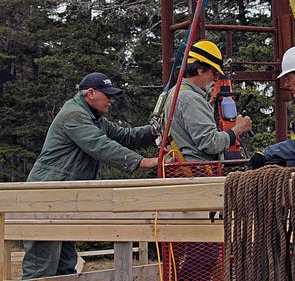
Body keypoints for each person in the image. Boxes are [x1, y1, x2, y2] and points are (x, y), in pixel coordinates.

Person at [22, 72, 159, 280]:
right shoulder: (74, 115)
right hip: (46, 198)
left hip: (63, 198)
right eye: (108, 95)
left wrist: (153, 132)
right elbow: (100, 145)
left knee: (66, 267)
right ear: (91, 94)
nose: (111, 100)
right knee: (41, 269)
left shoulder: (95, 119)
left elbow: (125, 136)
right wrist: (143, 161)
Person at [163, 40, 252, 280]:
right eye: (213, 72)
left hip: (182, 175)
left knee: (195, 248)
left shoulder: (175, 94)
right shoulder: (191, 100)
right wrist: (237, 130)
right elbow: (210, 143)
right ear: (200, 69)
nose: (215, 79)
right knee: (205, 251)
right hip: (196, 177)